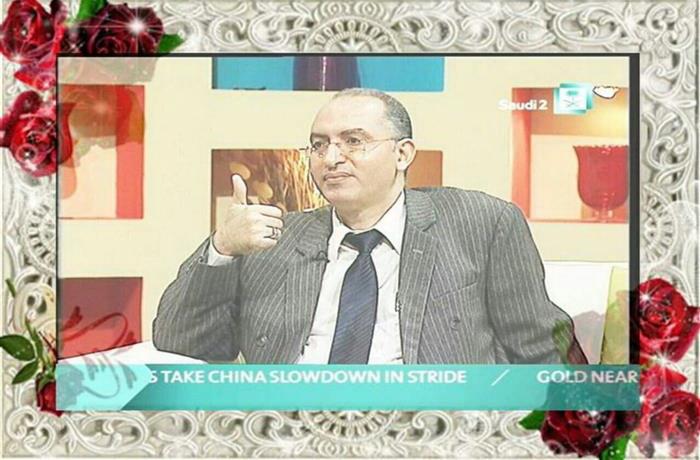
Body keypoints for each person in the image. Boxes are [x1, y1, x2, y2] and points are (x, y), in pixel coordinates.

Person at [152, 88, 586, 365]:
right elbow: (183, 343)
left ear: (403, 154)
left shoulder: (480, 223)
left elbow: (542, 348)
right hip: (290, 432)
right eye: (319, 145)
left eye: (353, 141)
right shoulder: (274, 241)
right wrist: (222, 249)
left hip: (429, 433)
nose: (331, 158)